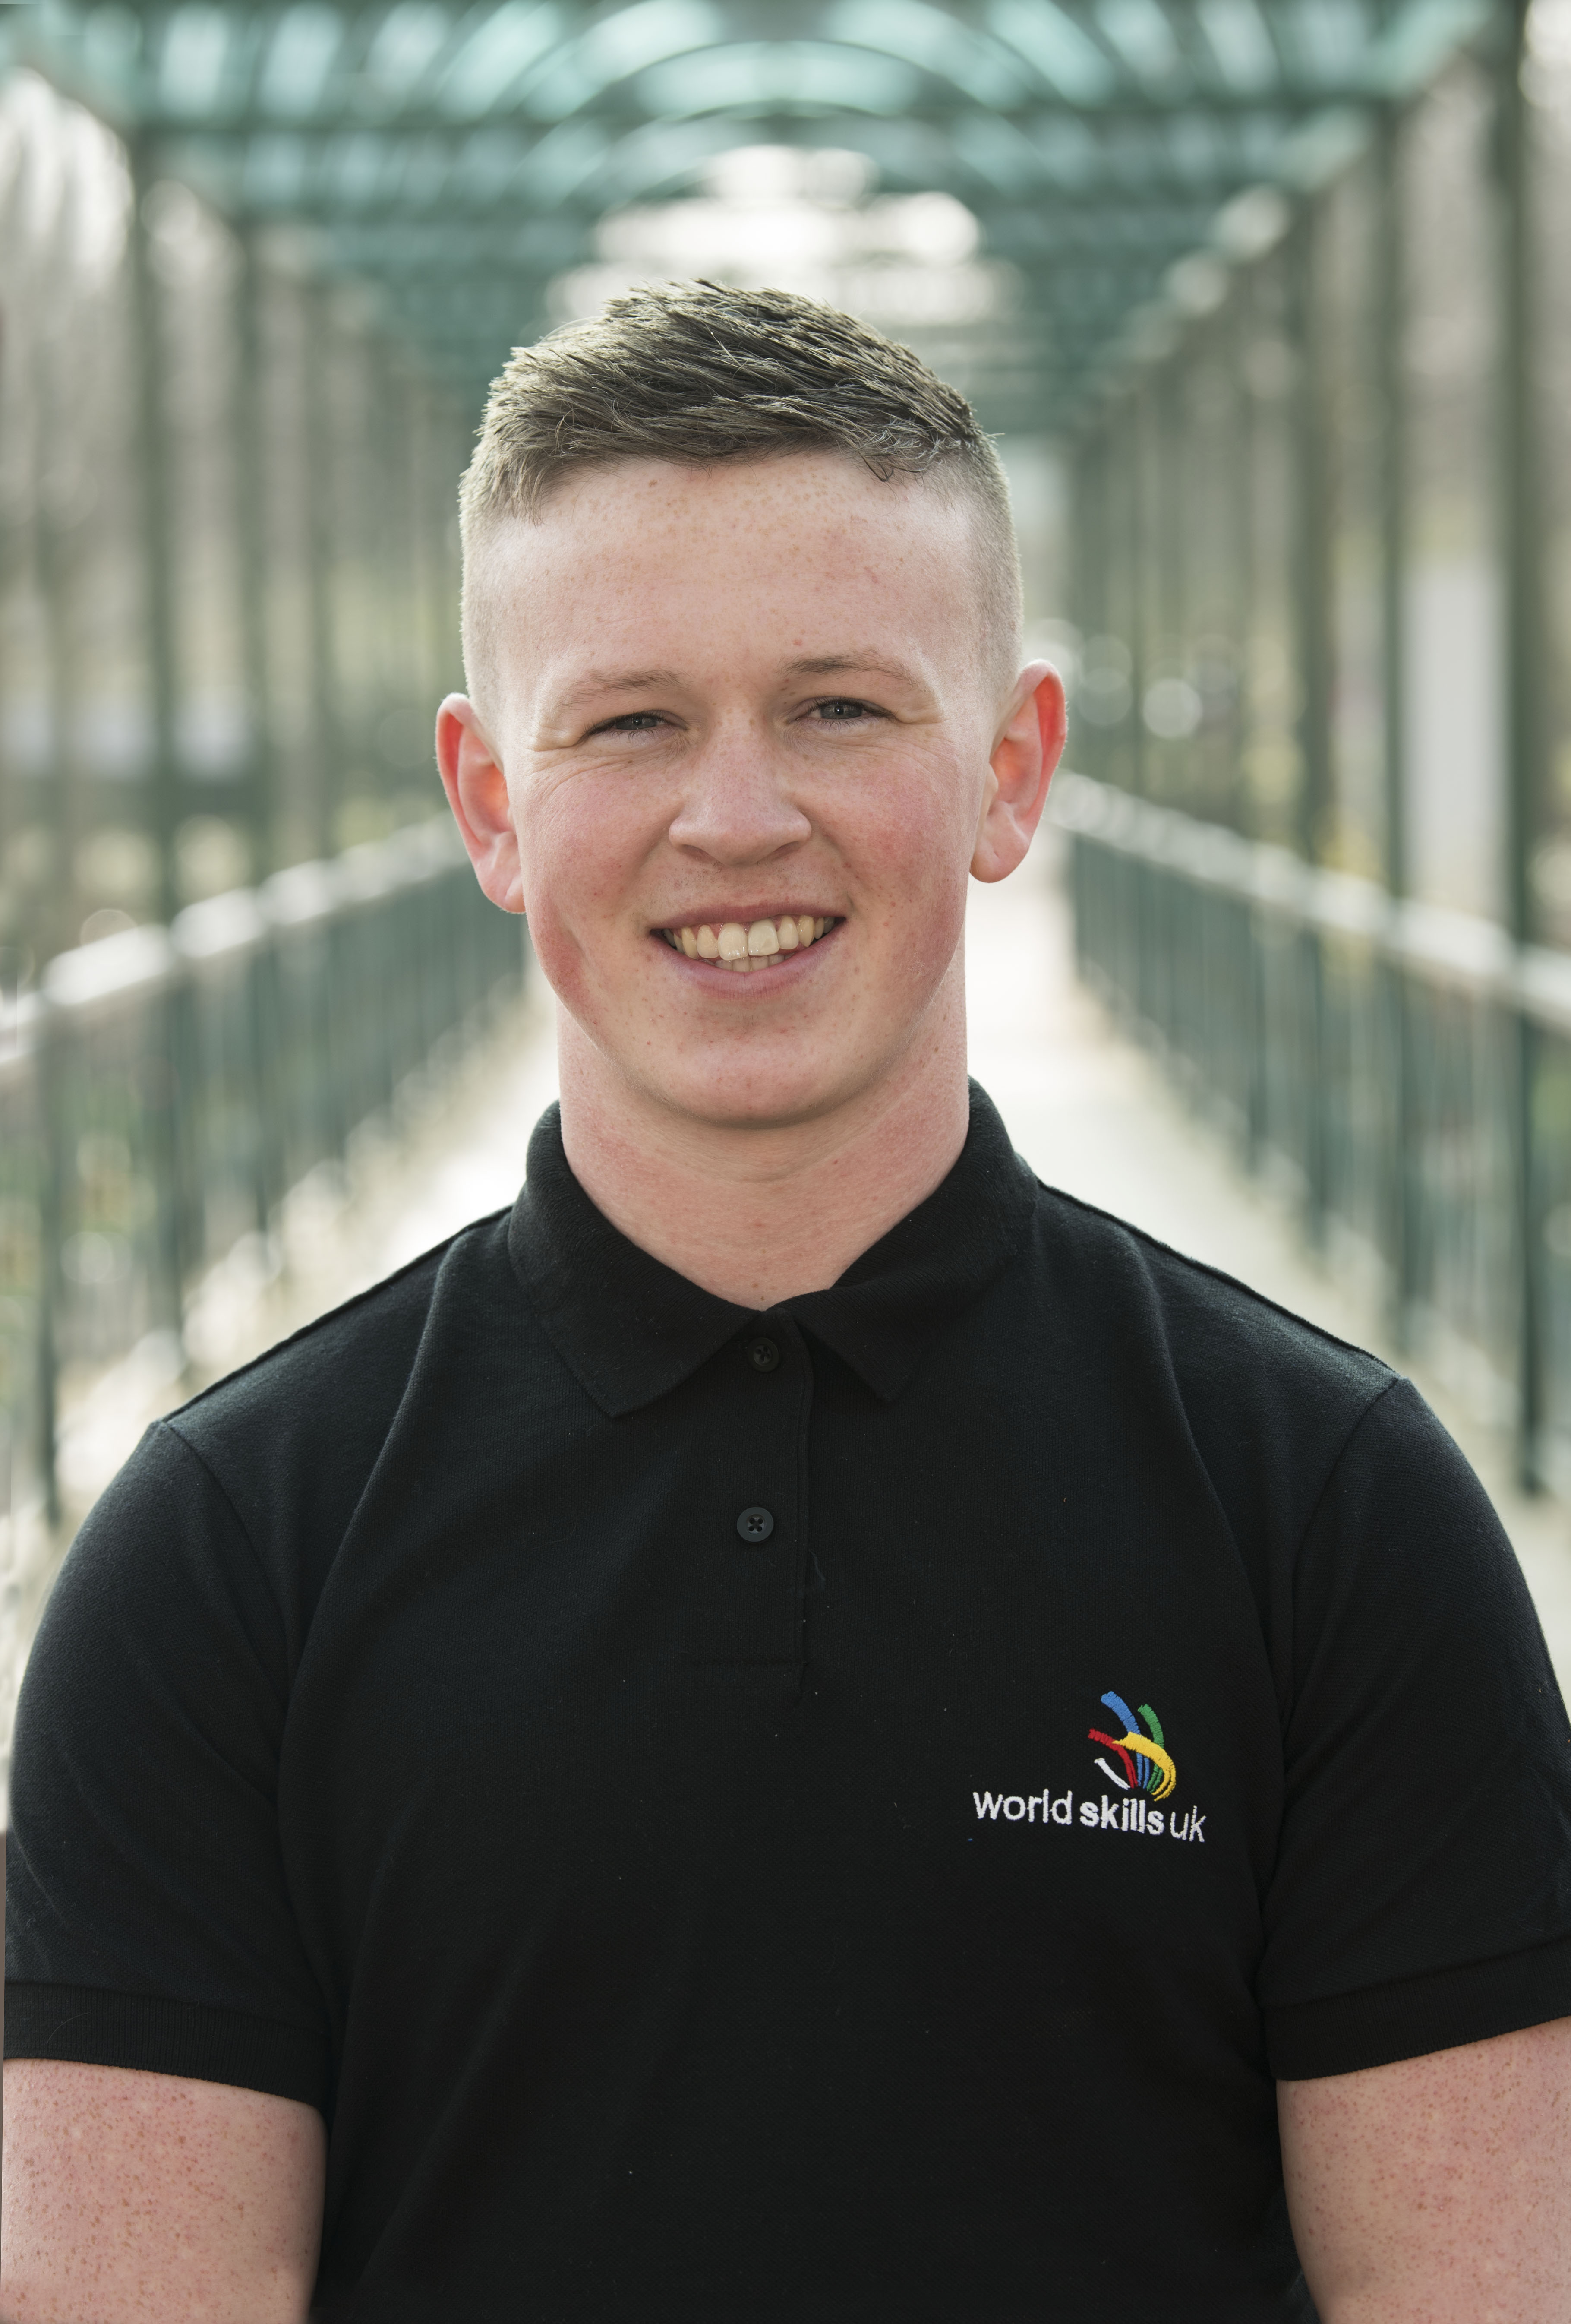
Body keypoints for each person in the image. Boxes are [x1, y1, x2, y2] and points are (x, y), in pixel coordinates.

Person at [5, 281, 1571, 2324]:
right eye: (629, 721)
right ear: (488, 803)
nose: (736, 818)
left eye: (838, 706)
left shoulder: (1332, 1509)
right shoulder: (221, 1556)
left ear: (1011, 769)